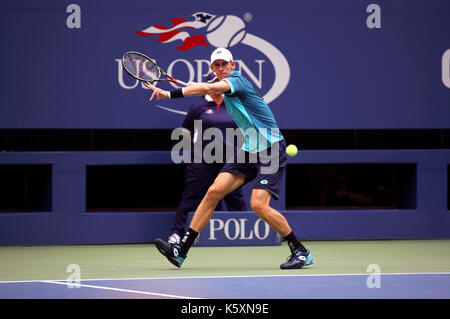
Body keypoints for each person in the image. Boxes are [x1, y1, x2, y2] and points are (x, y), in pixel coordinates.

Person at [145, 47, 314, 269]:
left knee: (258, 205)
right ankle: (180, 251)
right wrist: (196, 88)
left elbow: (205, 87)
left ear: (233, 66)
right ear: (212, 68)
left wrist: (168, 94)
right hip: (249, 148)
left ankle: (300, 251)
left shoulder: (238, 81)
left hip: (271, 147)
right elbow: (205, 88)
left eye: (225, 64)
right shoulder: (221, 87)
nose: (222, 68)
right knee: (214, 191)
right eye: (217, 65)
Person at [167, 73, 247, 245]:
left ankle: (245, 233)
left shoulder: (233, 104)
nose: (218, 85)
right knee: (192, 195)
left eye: (220, 82)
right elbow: (186, 131)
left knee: (234, 196)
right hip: (203, 159)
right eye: (214, 82)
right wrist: (195, 151)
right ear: (209, 84)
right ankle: (177, 234)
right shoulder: (198, 107)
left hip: (230, 159)